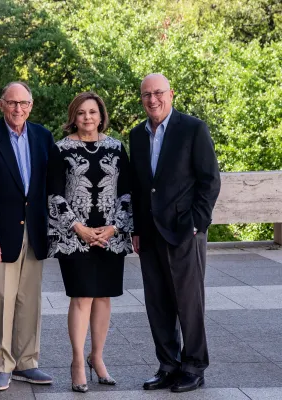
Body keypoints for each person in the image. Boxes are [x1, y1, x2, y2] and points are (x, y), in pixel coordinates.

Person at [129, 73, 221, 393]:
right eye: (146, 95)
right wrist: (137, 230)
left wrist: (197, 223)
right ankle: (168, 365)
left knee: (189, 302)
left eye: (158, 93)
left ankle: (194, 367)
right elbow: (140, 189)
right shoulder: (136, 136)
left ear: (171, 94)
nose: (152, 100)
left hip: (185, 232)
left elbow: (209, 180)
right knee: (158, 303)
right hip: (151, 234)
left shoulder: (193, 128)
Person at [0, 81, 55, 391]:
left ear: (31, 105)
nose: (19, 109)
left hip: (35, 230)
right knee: (0, 299)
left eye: (24, 103)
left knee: (29, 300)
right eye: (13, 103)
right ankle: (1, 365)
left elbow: (53, 183)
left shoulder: (43, 137)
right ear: (1, 104)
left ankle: (27, 362)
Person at [46, 92, 133, 393]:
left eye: (93, 112)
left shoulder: (117, 148)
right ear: (74, 116)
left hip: (109, 236)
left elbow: (127, 193)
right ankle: (77, 363)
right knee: (81, 297)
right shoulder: (59, 149)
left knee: (104, 297)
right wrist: (79, 228)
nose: (87, 118)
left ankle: (97, 358)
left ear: (101, 115)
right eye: (81, 113)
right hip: (75, 236)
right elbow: (54, 194)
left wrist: (113, 228)